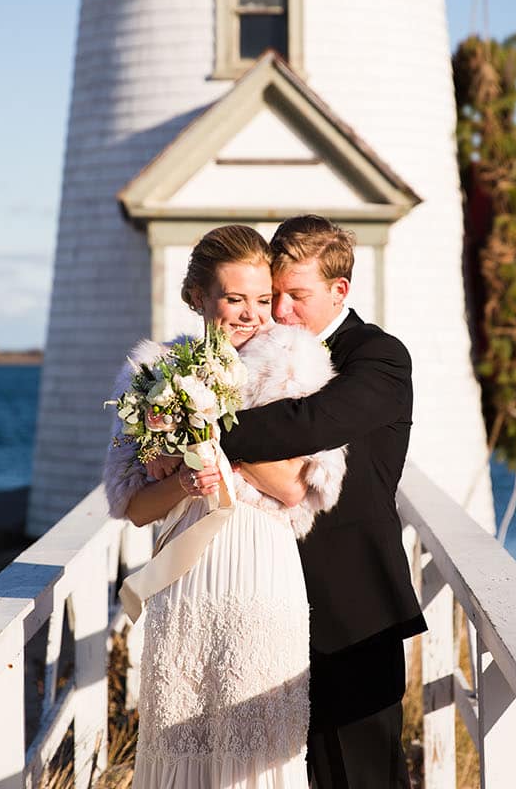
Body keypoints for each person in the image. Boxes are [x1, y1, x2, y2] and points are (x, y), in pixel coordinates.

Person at [101, 224, 346, 788]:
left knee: (258, 749)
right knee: (180, 743)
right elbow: (135, 508)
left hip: (261, 577)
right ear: (197, 297)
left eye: (262, 300)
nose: (252, 314)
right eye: (234, 299)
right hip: (185, 584)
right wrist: (188, 476)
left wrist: (208, 428)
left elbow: (292, 488)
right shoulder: (153, 376)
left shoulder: (294, 366)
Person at [219, 215, 424, 789]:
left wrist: (199, 422)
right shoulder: (258, 350)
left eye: (297, 295)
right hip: (264, 593)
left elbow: (309, 423)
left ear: (340, 290)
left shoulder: (379, 356)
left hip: (352, 602)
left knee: (360, 775)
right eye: (275, 294)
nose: (280, 311)